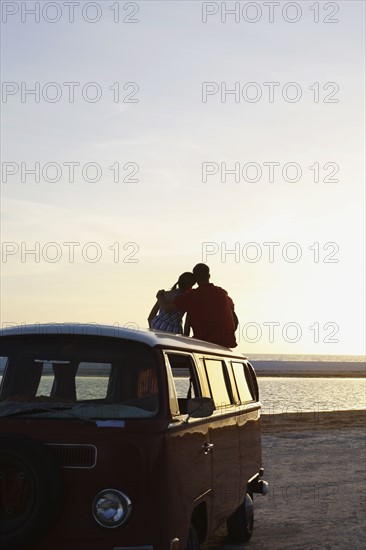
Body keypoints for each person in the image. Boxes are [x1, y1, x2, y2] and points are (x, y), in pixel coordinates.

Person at [156, 263, 238, 348]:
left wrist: (159, 295)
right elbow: (235, 320)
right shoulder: (223, 294)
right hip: (226, 345)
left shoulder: (192, 295)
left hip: (204, 344)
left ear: (195, 279)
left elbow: (168, 308)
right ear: (209, 276)